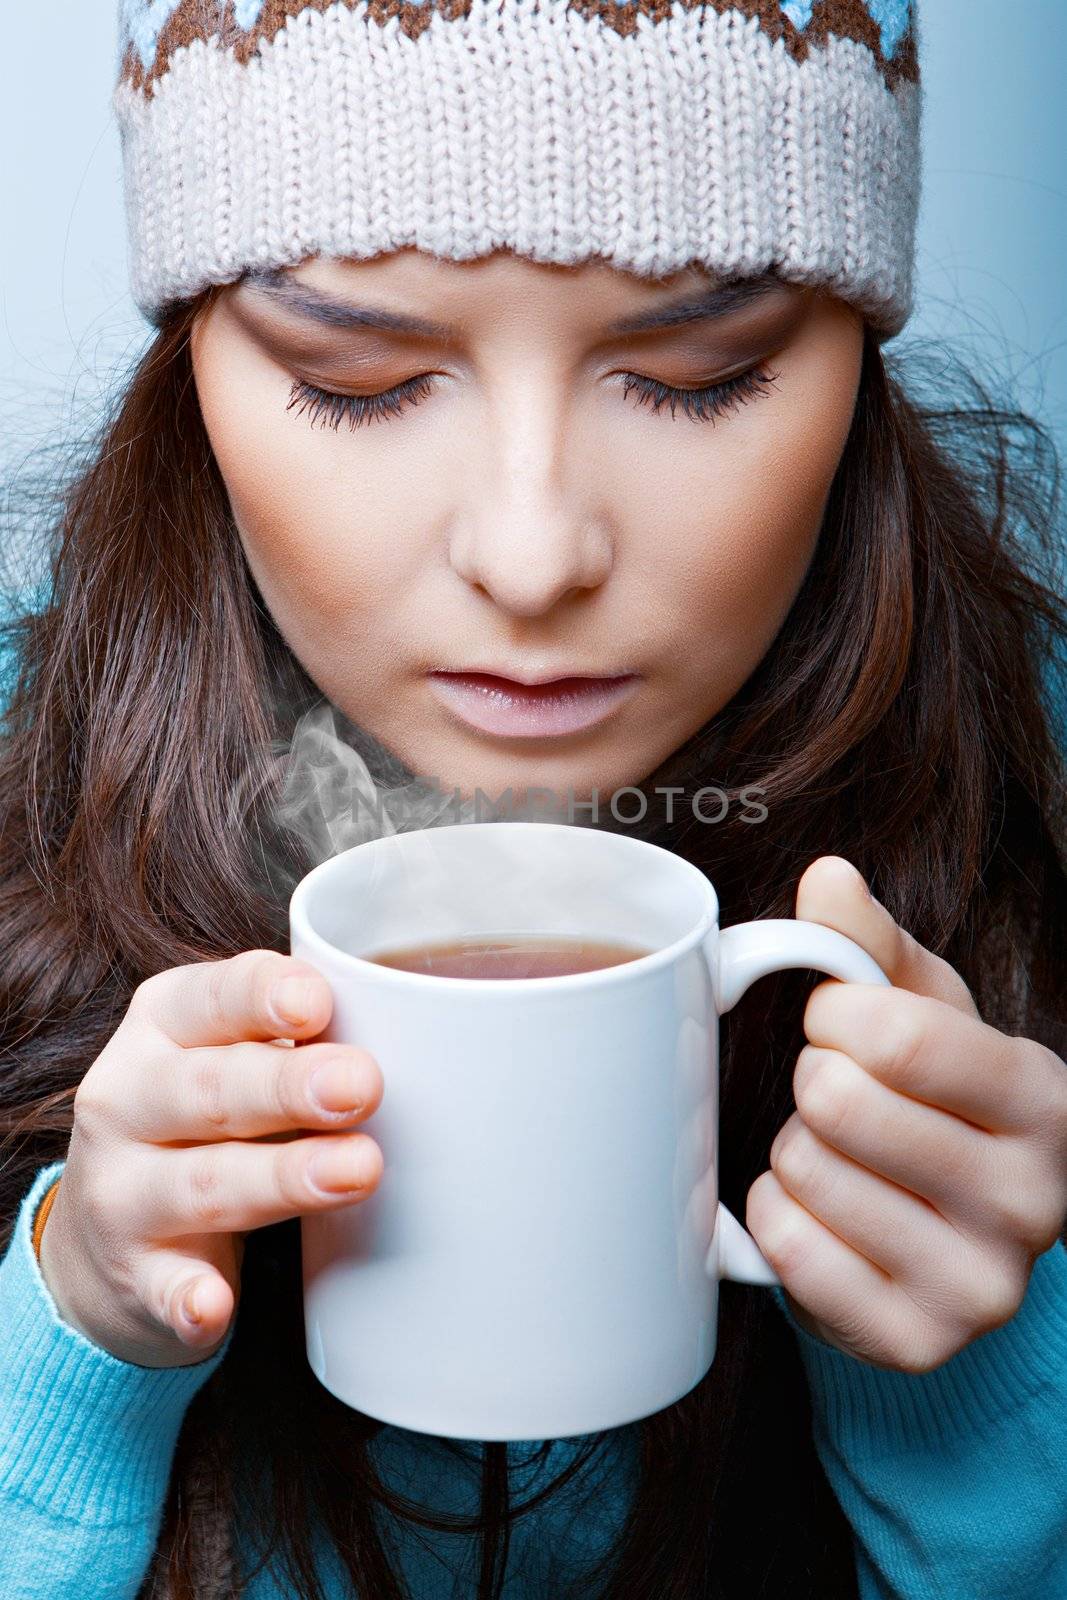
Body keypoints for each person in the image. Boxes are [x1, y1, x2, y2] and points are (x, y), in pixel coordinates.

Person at [0, 1, 1065, 1596]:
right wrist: (77, 1327)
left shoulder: (1032, 783)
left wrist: (972, 1386)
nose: (531, 550)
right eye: (355, 381)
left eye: (703, 377)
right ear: (196, 371)